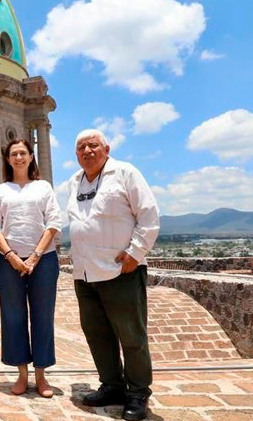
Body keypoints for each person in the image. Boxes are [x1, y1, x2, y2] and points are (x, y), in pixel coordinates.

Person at [67, 129, 160, 421]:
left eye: (93, 145)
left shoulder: (126, 172)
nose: (87, 151)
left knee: (131, 335)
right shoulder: (74, 181)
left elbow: (149, 215)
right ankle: (112, 384)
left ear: (106, 148)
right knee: (97, 334)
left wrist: (135, 253)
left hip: (121, 269)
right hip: (84, 272)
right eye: (81, 147)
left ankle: (137, 393)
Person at [0, 139, 61, 398]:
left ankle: (41, 375)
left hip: (44, 260)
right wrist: (10, 255)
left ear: (31, 157)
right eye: (13, 154)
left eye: (23, 153)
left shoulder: (43, 187)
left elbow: (53, 223)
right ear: (7, 159)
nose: (18, 157)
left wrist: (34, 256)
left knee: (43, 315)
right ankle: (21, 374)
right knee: (13, 316)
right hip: (8, 262)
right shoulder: (1, 190)